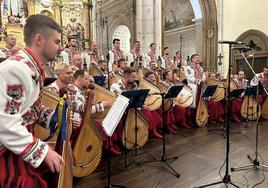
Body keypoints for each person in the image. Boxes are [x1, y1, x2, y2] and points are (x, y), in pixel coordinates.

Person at [0, 14, 64, 187]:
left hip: (17, 141)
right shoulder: (16, 69)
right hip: (6, 148)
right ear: (39, 39)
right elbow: (5, 123)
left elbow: (27, 107)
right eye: (57, 42)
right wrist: (42, 151)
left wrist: (55, 118)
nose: (61, 48)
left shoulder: (29, 66)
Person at [111, 67, 162, 138]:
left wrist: (142, 100)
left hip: (134, 106)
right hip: (123, 110)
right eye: (133, 77)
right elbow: (118, 102)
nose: (135, 79)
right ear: (126, 76)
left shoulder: (133, 83)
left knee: (150, 109)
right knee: (146, 112)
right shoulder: (115, 86)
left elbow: (137, 93)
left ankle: (152, 131)